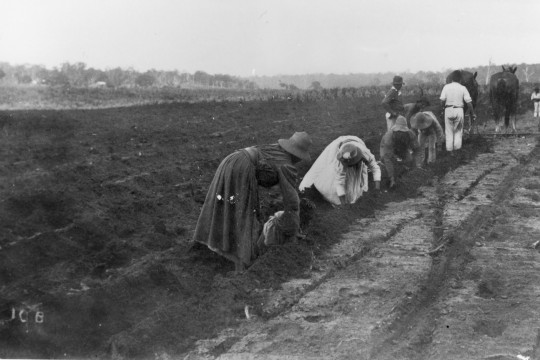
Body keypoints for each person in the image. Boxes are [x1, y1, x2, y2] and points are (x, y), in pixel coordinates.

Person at [192, 131, 312, 272]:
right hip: (242, 169)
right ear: (297, 155)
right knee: (244, 214)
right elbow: (292, 202)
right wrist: (292, 231)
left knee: (227, 207)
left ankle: (216, 244)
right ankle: (241, 261)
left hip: (231, 161)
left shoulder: (274, 149)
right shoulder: (286, 165)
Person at [299, 136, 381, 205]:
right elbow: (339, 181)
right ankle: (308, 187)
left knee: (359, 178)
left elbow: (375, 167)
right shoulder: (341, 160)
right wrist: (343, 203)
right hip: (338, 146)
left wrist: (377, 188)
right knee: (327, 178)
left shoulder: (364, 153)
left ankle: (357, 194)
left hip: (353, 144)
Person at [439, 71, 477, 154]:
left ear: (451, 79)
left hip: (448, 110)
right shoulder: (463, 88)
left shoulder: (446, 87)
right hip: (459, 110)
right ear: (460, 79)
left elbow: (442, 101)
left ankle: (449, 151)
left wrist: (443, 109)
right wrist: (473, 113)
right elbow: (469, 103)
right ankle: (457, 151)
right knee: (458, 132)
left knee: (449, 131)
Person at [379, 116, 421, 189]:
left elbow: (416, 148)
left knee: (409, 159)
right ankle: (391, 179)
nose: (401, 132)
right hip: (389, 148)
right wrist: (394, 158)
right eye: (399, 131)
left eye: (403, 131)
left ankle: (403, 171)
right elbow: (387, 151)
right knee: (387, 160)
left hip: (403, 148)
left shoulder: (410, 134)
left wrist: (416, 164)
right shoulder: (389, 135)